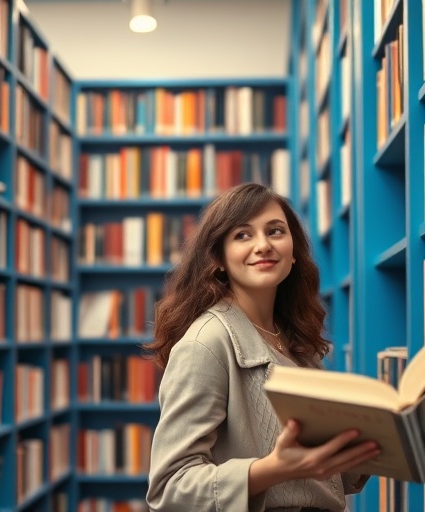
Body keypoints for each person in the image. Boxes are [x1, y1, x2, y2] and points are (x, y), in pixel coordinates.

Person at [144, 183, 379, 511]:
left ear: (293, 252)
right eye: (243, 235)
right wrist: (271, 470)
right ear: (219, 259)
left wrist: (377, 442)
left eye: (275, 231)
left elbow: (318, 474)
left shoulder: (296, 340)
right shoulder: (206, 343)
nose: (263, 245)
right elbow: (169, 488)